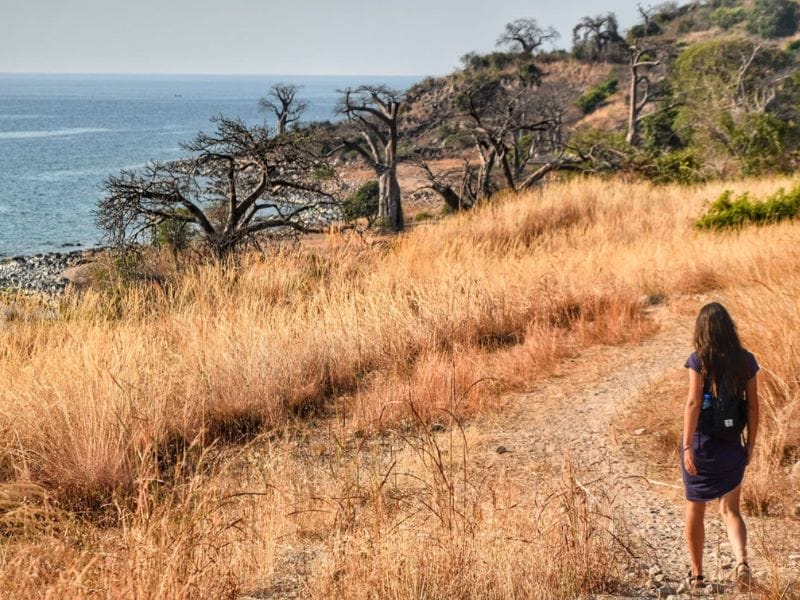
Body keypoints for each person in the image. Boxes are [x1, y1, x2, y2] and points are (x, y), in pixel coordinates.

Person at [681, 302, 759, 591]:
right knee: (732, 511)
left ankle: (698, 575)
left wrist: (688, 445)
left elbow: (692, 403)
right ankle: (741, 563)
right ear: (729, 327)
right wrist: (750, 445)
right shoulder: (746, 361)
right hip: (731, 447)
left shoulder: (698, 359)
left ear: (702, 329)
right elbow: (753, 407)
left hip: (702, 446)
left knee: (695, 508)